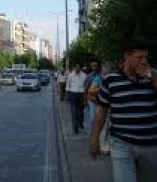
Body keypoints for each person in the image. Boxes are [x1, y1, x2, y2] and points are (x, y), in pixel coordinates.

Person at [91, 42, 157, 182]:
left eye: (146, 57)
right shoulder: (111, 79)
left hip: (151, 144)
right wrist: (95, 138)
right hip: (121, 143)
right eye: (139, 57)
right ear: (127, 56)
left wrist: (152, 77)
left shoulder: (153, 76)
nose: (144, 61)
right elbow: (101, 112)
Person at [66, 63, 87, 134]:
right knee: (73, 112)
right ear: (74, 68)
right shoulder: (70, 75)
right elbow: (68, 85)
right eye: (76, 67)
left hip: (81, 94)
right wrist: (68, 94)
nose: (77, 68)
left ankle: (80, 122)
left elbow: (86, 86)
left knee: (80, 112)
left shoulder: (84, 75)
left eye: (78, 67)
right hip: (73, 94)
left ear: (80, 68)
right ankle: (75, 128)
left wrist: (86, 97)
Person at [84, 60, 103, 134]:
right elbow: (85, 88)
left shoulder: (102, 76)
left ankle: (98, 133)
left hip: (101, 100)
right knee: (92, 118)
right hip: (92, 100)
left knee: (99, 118)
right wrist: (85, 99)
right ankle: (92, 133)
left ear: (98, 66)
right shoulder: (89, 76)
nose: (94, 67)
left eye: (95, 66)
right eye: (92, 66)